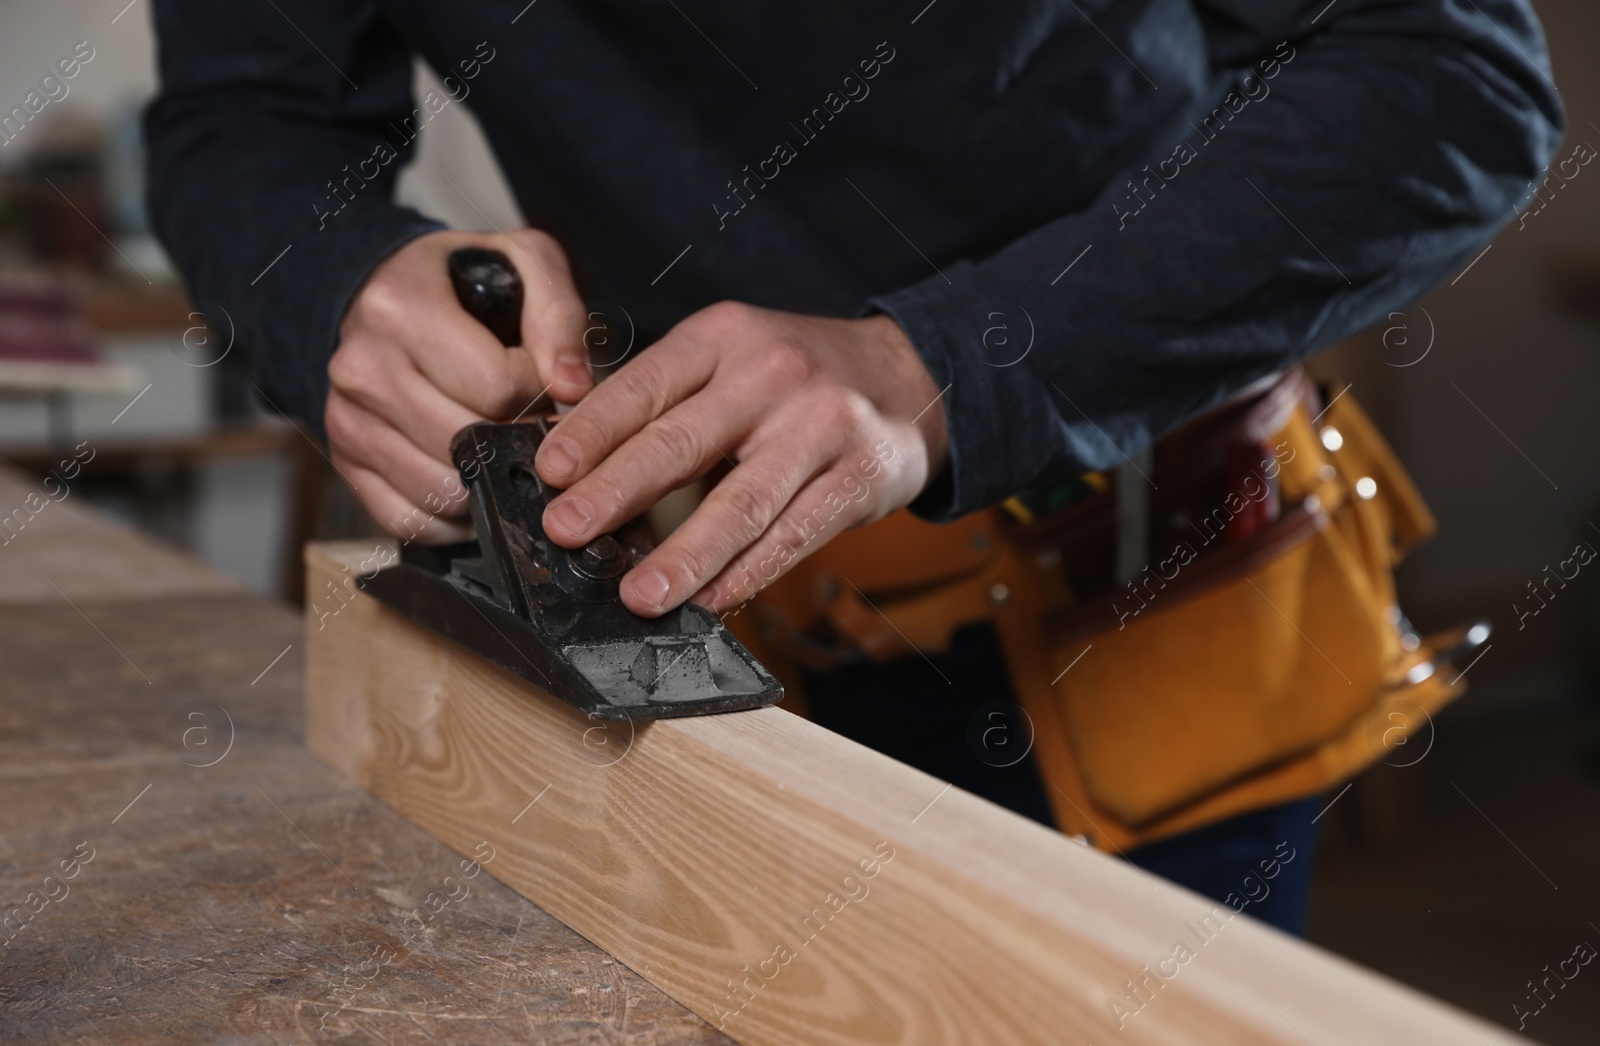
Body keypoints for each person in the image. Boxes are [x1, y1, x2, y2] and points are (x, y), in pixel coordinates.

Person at [145, 0, 1562, 934]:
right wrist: (332, 284)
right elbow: (246, 119)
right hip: (704, 633)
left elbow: (1455, 84)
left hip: (1139, 586)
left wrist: (942, 363)